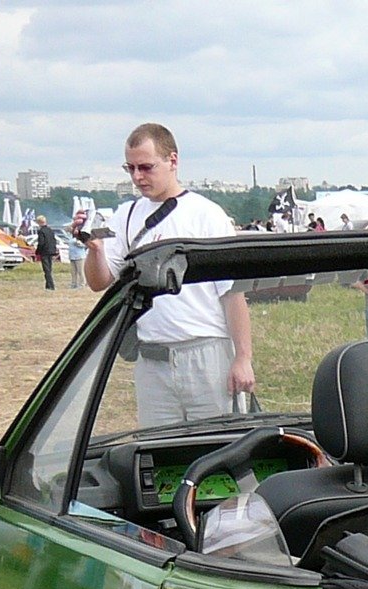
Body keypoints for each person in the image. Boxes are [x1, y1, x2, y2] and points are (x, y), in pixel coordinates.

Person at [85, 121, 255, 424]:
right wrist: (95, 249)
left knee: (214, 450)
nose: (138, 177)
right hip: (152, 361)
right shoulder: (125, 216)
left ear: (172, 161)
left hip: (205, 354)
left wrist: (243, 358)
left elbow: (232, 295)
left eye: (146, 167)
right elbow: (99, 282)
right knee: (158, 455)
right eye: (131, 168)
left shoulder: (206, 215)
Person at [33, 214, 59, 290]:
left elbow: (41, 242)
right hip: (51, 251)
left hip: (44, 252)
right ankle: (48, 285)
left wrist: (37, 251)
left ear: (39, 223)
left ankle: (51, 286)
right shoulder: (50, 230)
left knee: (46, 270)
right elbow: (53, 240)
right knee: (49, 268)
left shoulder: (41, 231)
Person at [68, 210, 90, 288]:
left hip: (80, 255)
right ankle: (74, 284)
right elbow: (67, 229)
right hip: (72, 255)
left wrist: (80, 243)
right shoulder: (72, 231)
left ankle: (82, 284)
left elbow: (86, 244)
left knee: (81, 271)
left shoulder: (84, 230)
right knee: (73, 271)